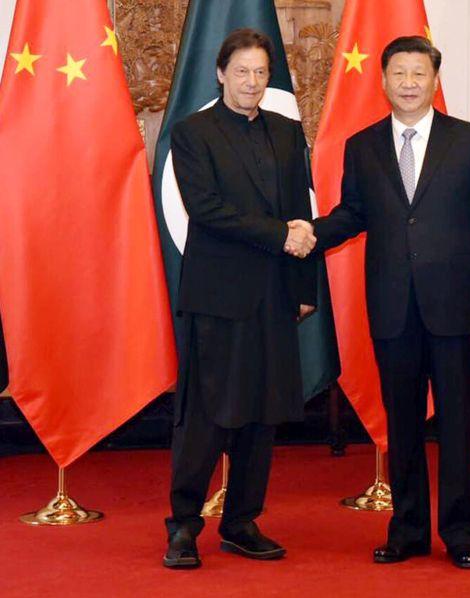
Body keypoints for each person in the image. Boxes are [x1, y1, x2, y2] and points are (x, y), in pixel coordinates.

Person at [291, 36, 470, 569]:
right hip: (392, 307)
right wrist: (312, 232)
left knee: (458, 424)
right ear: (383, 79)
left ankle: (462, 535)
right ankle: (408, 530)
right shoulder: (363, 146)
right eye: (399, 74)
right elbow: (353, 214)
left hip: (457, 305)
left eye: (419, 74)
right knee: (403, 424)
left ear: (435, 79)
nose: (409, 83)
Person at [163, 28, 317, 569]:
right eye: (242, 71)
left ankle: (242, 521)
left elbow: (301, 213)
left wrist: (303, 289)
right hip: (218, 299)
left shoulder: (286, 132)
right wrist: (279, 235)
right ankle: (183, 524)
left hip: (275, 297)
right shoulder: (191, 132)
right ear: (221, 73)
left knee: (262, 415)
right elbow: (207, 209)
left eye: (261, 73)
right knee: (207, 417)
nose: (252, 82)